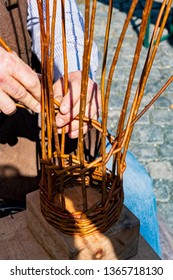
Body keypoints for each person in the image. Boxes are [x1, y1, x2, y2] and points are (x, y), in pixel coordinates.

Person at [0, 0, 162, 257]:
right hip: (9, 154)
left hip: (59, 127)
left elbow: (52, 11)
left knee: (138, 190)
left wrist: (73, 70)